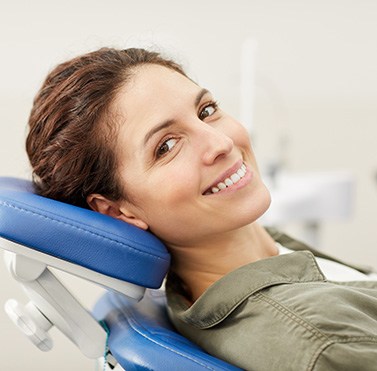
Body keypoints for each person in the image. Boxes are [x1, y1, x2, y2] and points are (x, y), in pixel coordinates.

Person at [26, 47, 377, 370]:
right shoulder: (324, 343)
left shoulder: (261, 258)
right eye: (166, 146)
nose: (222, 142)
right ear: (118, 212)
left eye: (206, 111)